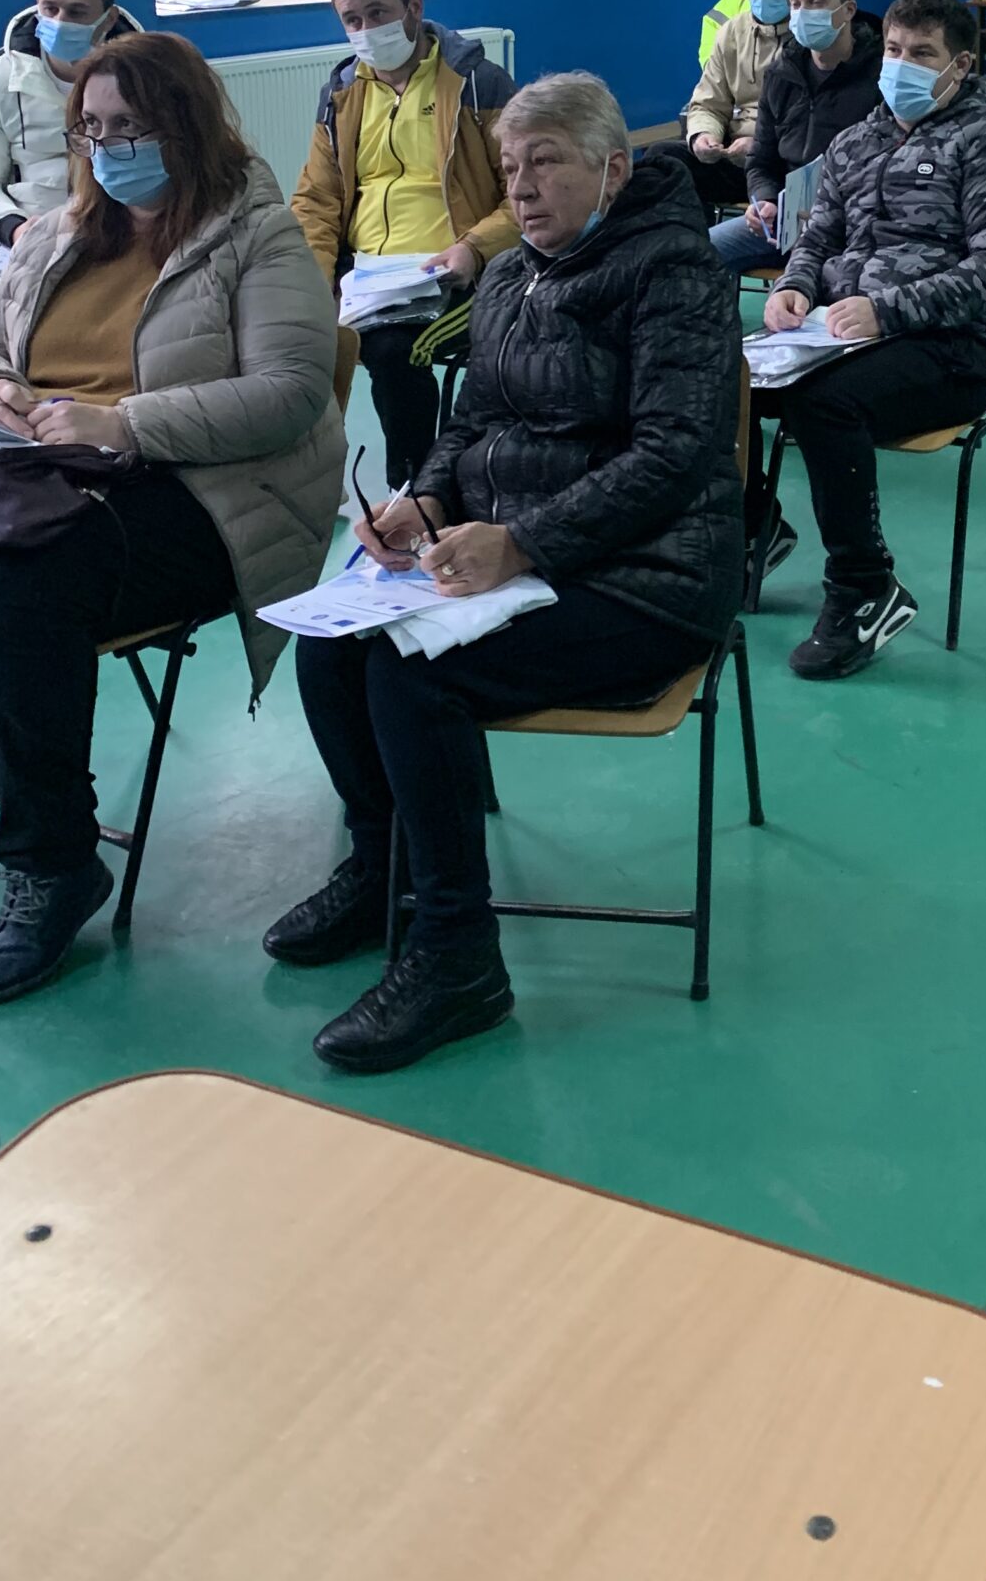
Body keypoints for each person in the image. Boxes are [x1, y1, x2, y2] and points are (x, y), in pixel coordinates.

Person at [268, 72, 744, 1075]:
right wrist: (427, 502)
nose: (520, 188)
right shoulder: (509, 275)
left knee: (412, 675)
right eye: (511, 166)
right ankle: (385, 872)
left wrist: (522, 544)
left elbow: (673, 455)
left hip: (651, 577)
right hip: (521, 560)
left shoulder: (675, 271)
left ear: (613, 170)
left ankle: (458, 955)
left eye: (546, 164)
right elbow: (473, 423)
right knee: (330, 650)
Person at [0, 31, 342, 1001]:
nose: (107, 146)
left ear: (185, 128)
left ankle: (54, 863)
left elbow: (289, 393)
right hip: (38, 474)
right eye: (92, 127)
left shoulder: (257, 235)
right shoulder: (57, 233)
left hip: (195, 494)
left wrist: (123, 423)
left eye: (131, 126)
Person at [762, 0, 986, 680]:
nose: (901, 66)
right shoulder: (857, 140)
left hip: (955, 347)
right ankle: (751, 530)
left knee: (824, 404)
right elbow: (818, 234)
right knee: (722, 378)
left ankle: (863, 587)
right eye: (892, 50)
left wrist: (888, 311)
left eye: (922, 54)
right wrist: (796, 285)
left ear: (961, 66)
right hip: (840, 329)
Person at [291, 0, 516, 488]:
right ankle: (305, 484)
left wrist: (474, 249)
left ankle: (414, 491)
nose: (366, 30)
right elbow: (316, 200)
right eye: (352, 19)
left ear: (414, 8)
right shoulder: (341, 95)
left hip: (453, 273)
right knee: (284, 334)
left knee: (393, 351)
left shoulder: (478, 85)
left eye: (378, 13)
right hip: (363, 273)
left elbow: (523, 193)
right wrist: (312, 280)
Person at [0, 0, 141, 309]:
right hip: (28, 242)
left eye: (76, 12)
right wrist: (17, 229)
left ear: (108, 19)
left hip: (127, 240)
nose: (59, 22)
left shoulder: (148, 78)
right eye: (50, 9)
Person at [710, 0, 881, 276]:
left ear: (848, 10)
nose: (803, 13)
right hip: (785, 221)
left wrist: (830, 216)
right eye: (796, 3)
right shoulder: (781, 73)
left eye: (816, 2)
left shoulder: (879, 77)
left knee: (822, 282)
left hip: (851, 227)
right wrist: (764, 201)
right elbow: (761, 160)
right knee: (695, 255)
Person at [683, 0, 797, 217]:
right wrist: (703, 136)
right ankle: (690, 239)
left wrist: (760, 147)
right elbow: (708, 103)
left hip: (781, 162)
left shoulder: (809, 34)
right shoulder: (732, 32)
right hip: (733, 155)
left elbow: (810, 123)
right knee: (664, 161)